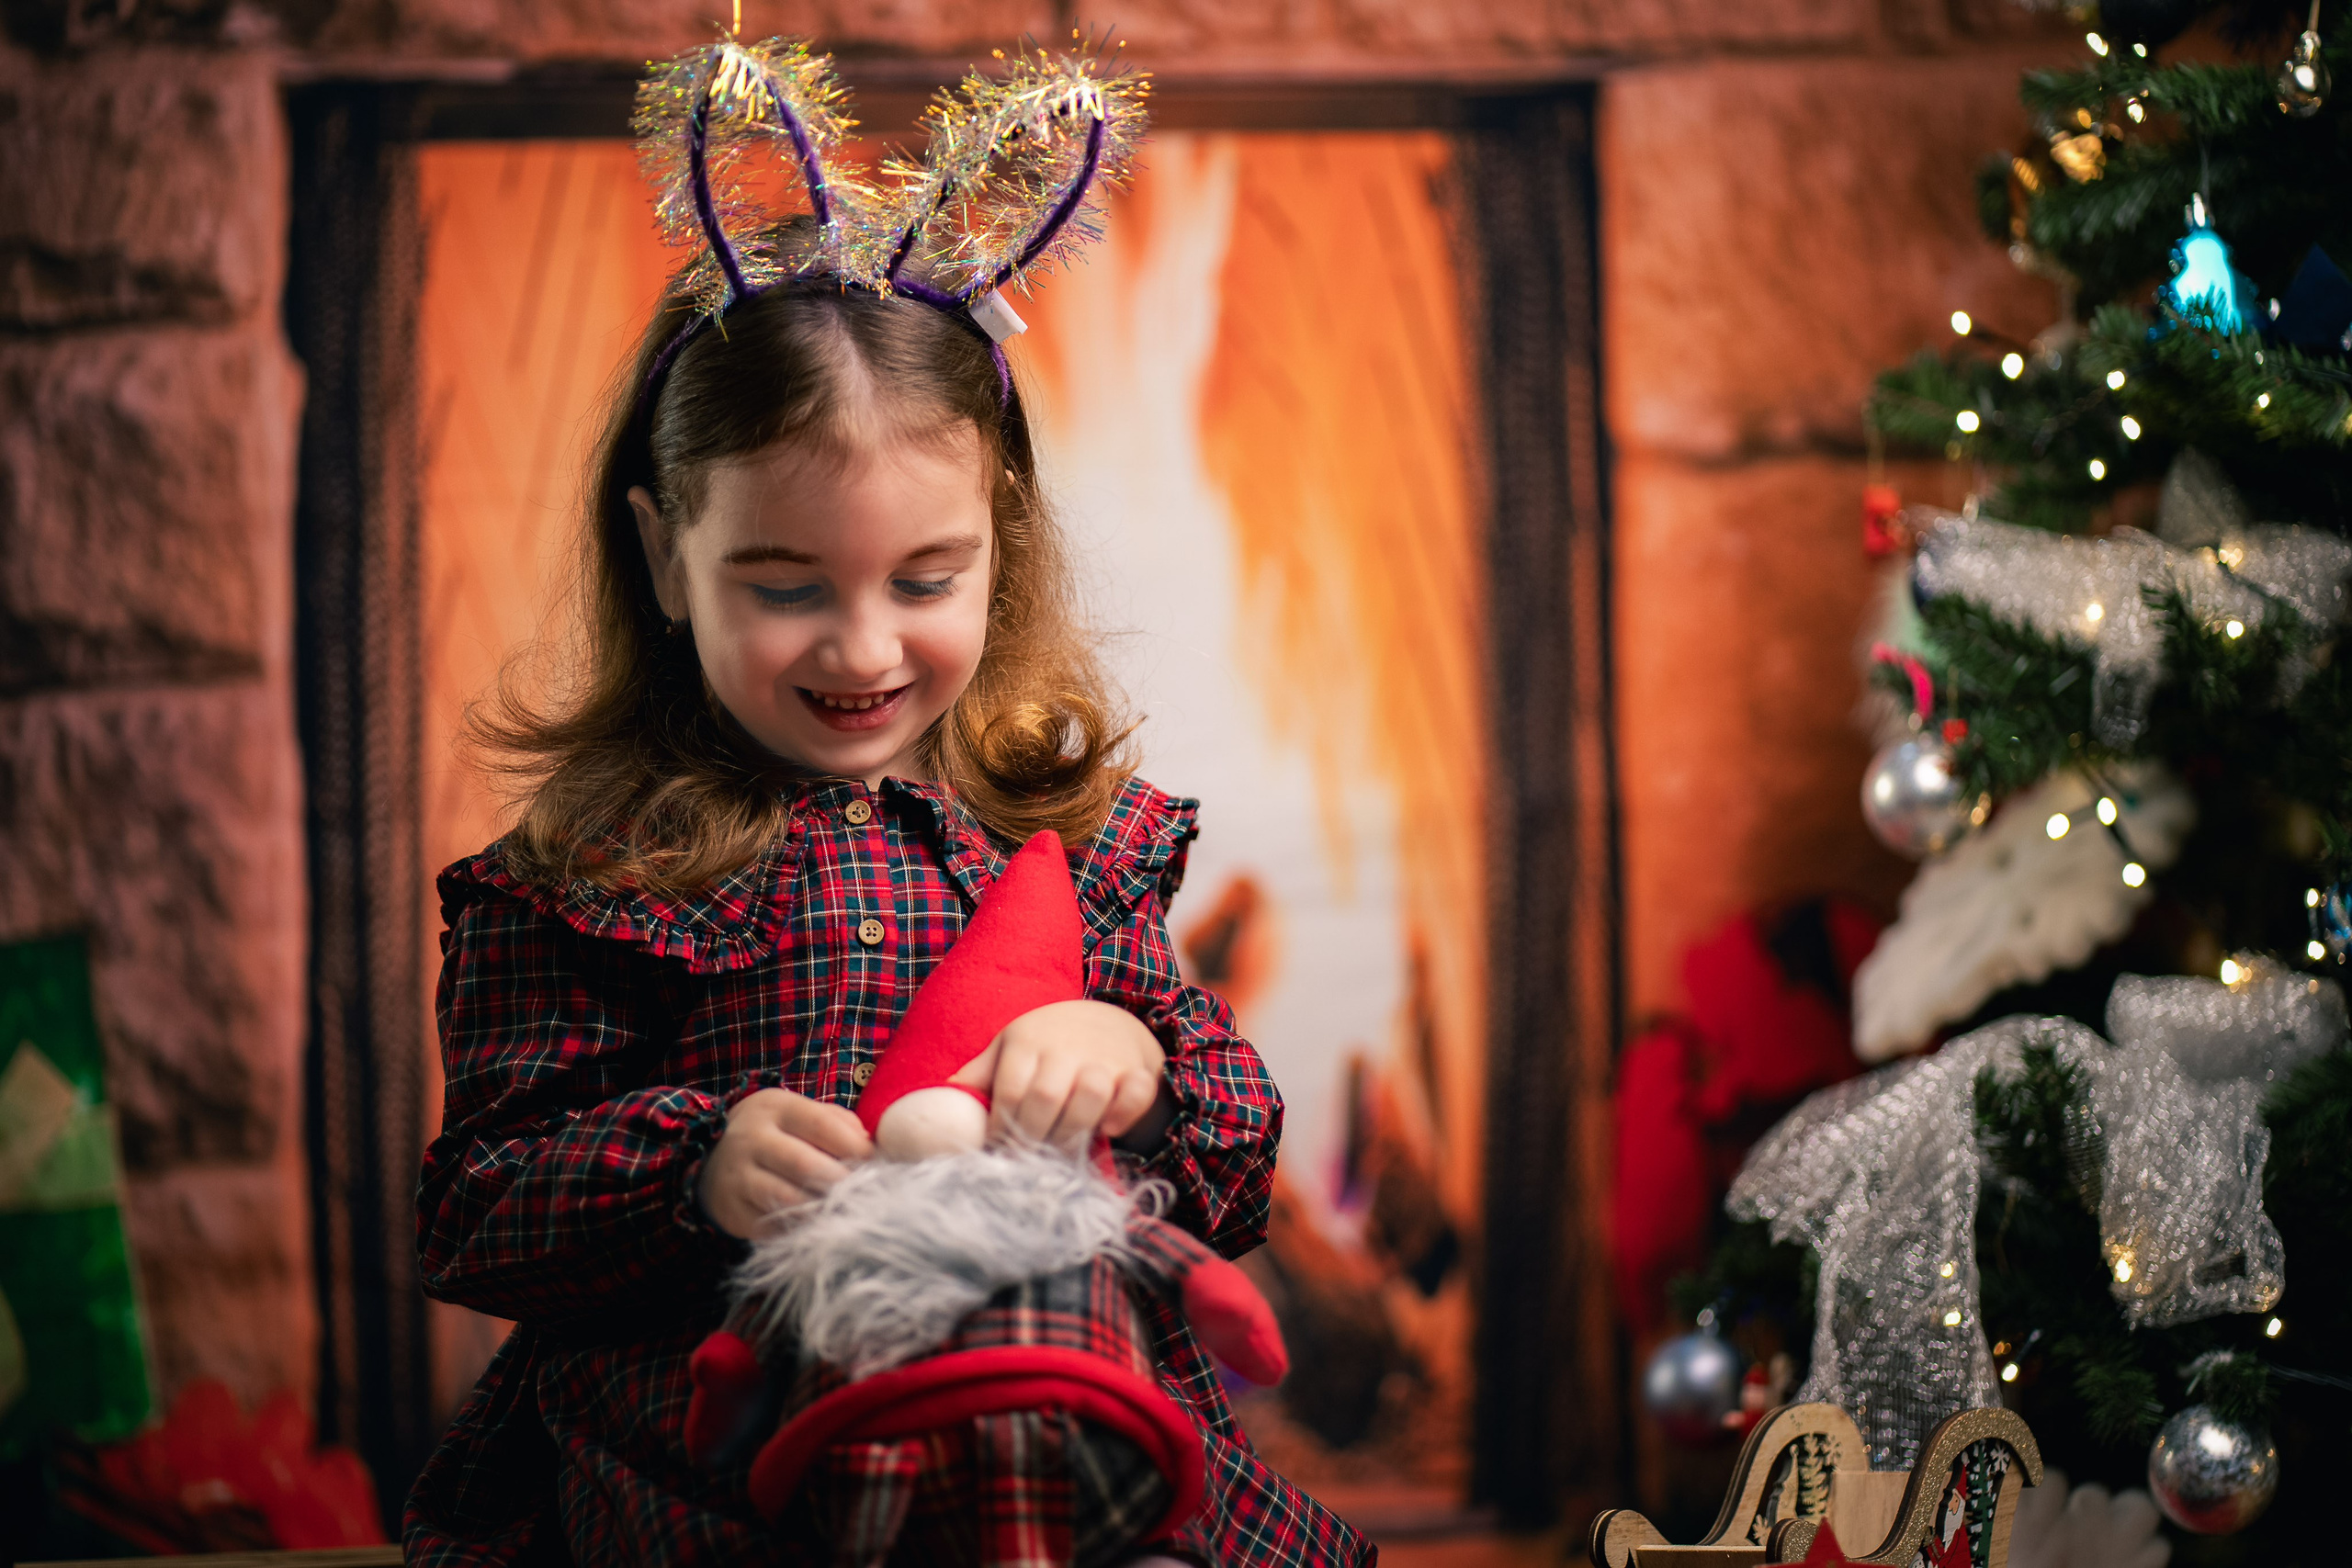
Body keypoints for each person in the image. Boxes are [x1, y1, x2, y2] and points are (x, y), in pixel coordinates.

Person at [400, 163, 1372, 1568]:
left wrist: (1135, 1063)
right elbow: (477, 1208)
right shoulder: (584, 875)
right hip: (713, 1461)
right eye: (785, 585)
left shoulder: (1070, 843)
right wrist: (693, 1167)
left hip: (1050, 1417)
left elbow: (1236, 1166)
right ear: (666, 558)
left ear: (1000, 551)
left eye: (925, 580)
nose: (861, 649)